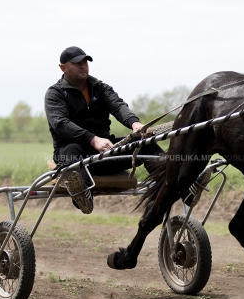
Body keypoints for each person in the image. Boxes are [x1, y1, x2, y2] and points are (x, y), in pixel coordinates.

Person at [45, 46, 164, 214]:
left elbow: (118, 106)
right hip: (74, 156)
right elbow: (61, 123)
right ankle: (82, 194)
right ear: (63, 67)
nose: (83, 66)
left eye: (85, 62)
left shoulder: (100, 87)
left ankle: (171, 180)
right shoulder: (55, 94)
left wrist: (135, 124)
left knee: (144, 143)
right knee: (71, 150)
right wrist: (92, 139)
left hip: (104, 154)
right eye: (77, 63)